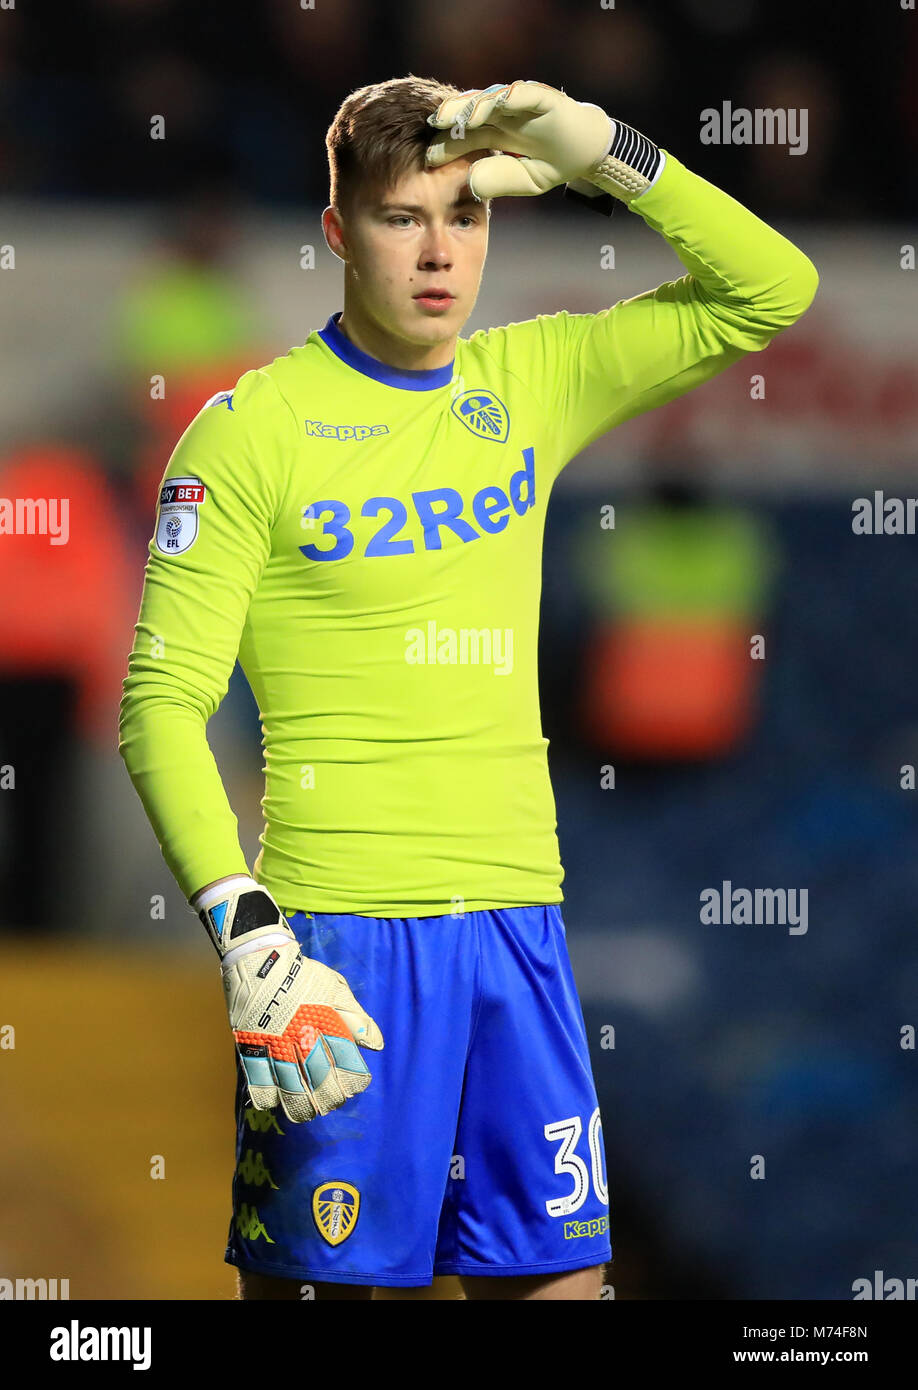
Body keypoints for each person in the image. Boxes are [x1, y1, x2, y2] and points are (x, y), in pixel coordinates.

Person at [119, 75, 818, 1301]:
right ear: (338, 234)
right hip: (337, 951)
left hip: (517, 930)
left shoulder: (531, 381)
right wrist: (244, 928)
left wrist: (605, 149)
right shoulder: (249, 433)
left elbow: (774, 290)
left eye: (468, 215)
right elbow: (159, 704)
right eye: (403, 220)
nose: (443, 253)